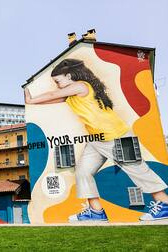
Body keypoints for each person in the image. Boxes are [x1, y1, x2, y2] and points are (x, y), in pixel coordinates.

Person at [25, 58, 168, 222]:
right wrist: (31, 100)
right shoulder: (71, 94)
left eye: (58, 81)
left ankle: (164, 204)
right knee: (83, 173)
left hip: (117, 136)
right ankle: (96, 211)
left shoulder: (80, 85)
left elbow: (52, 94)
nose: (57, 85)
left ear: (69, 75)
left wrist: (30, 99)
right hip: (96, 140)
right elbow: (55, 98)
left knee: (137, 170)